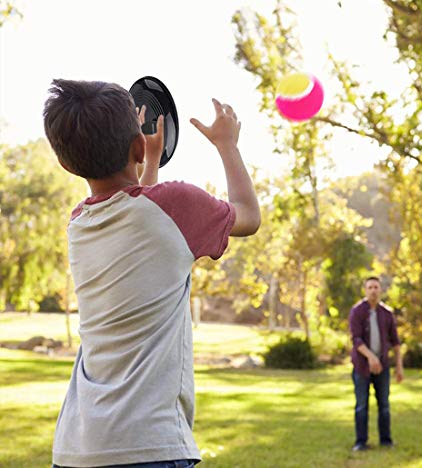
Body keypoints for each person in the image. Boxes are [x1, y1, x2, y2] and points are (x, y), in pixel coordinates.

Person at [43, 79, 260, 467]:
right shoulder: (176, 204)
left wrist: (150, 164)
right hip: (149, 445)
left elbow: (142, 218)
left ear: (65, 163)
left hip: (76, 447)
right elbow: (248, 214)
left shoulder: (79, 224)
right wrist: (227, 144)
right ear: (137, 146)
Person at [348, 276, 403, 452]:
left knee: (384, 406)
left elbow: (395, 342)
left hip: (383, 367)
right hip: (362, 367)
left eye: (376, 287)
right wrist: (371, 357)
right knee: (362, 406)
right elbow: (356, 339)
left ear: (380, 290)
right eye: (370, 287)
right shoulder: (357, 311)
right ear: (365, 290)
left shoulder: (387, 313)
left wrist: (399, 366)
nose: (373, 290)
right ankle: (360, 442)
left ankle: (386, 440)